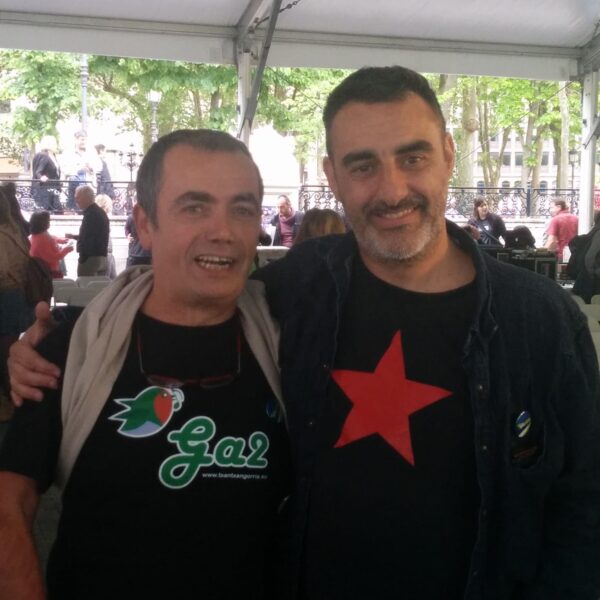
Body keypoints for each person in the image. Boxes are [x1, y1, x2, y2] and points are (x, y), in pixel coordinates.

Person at [8, 67, 600, 599]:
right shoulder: (303, 288)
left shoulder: (541, 321)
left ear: (448, 154)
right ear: (332, 177)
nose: (392, 190)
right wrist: (40, 343)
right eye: (363, 166)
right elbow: (186, 290)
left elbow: (584, 509)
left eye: (413, 157)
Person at [0, 129, 289, 598]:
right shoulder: (73, 349)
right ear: (144, 224)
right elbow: (9, 502)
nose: (224, 231)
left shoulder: (293, 343)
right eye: (195, 208)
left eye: (242, 209)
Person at [0, 190, 33, 422]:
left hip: (5, 298)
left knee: (4, 353)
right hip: (17, 296)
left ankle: (7, 401)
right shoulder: (15, 230)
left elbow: (2, 270)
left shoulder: (1, 235)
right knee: (8, 350)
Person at [64, 185, 110, 276]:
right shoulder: (99, 212)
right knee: (97, 284)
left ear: (86, 197)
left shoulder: (91, 214)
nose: (76, 201)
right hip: (100, 257)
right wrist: (74, 236)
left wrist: (83, 257)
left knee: (85, 283)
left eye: (78, 197)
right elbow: (92, 235)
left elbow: (88, 238)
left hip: (91, 259)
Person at [63, 131, 101, 211]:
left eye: (85, 140)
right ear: (76, 140)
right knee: (73, 208)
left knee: (88, 208)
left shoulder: (91, 152)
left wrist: (90, 168)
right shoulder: (68, 152)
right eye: (82, 140)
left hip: (88, 186)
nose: (84, 142)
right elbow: (64, 168)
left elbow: (99, 167)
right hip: (72, 187)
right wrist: (78, 168)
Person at [29, 211, 74, 278]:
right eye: (48, 221)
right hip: (49, 272)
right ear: (43, 223)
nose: (49, 222)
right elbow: (53, 258)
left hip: (44, 270)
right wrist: (67, 249)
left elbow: (51, 237)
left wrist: (59, 240)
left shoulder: (36, 235)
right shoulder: (42, 239)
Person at [571, 211, 600, 302]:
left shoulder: (593, 232)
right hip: (594, 279)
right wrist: (593, 272)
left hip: (588, 277)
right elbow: (590, 257)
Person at [31, 136, 62, 212]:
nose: (56, 145)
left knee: (56, 210)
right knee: (48, 210)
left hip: (54, 188)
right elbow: (38, 172)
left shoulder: (53, 155)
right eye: (55, 143)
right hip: (46, 189)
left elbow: (56, 172)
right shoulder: (44, 155)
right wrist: (41, 177)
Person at [95, 194, 117, 279]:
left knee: (112, 280)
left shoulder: (101, 216)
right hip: (105, 253)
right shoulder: (99, 217)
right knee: (105, 280)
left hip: (108, 253)